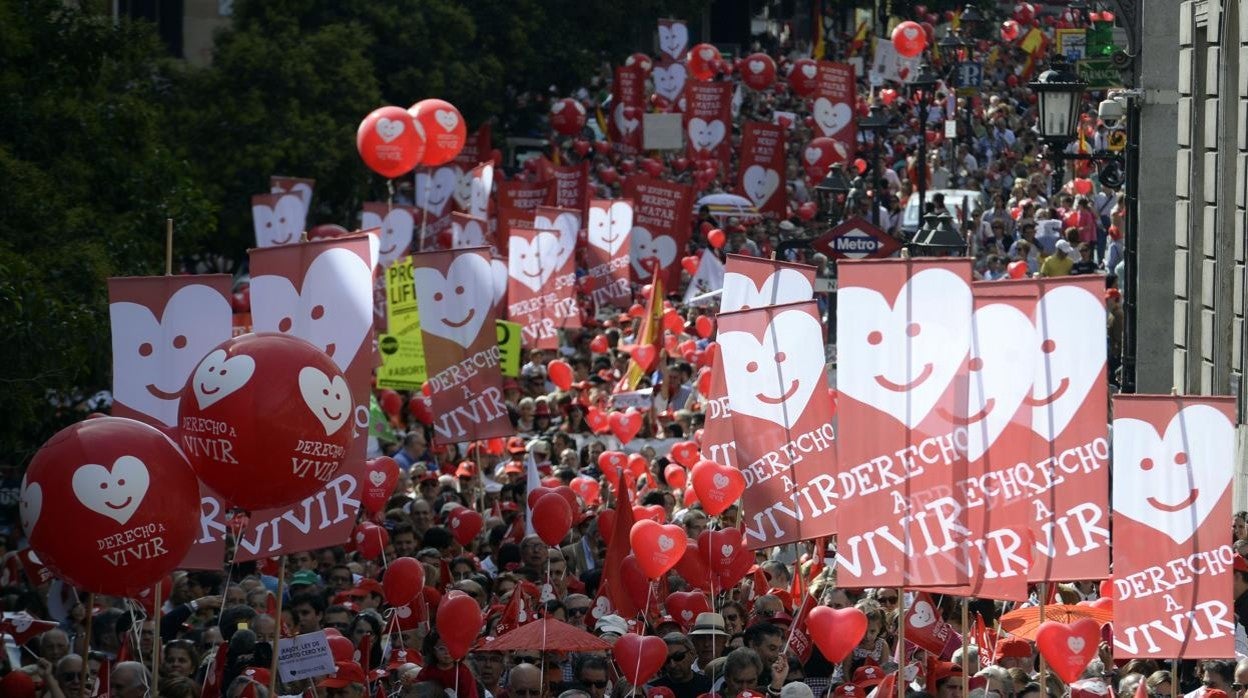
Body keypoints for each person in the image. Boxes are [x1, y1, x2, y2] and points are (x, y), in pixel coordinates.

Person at [652, 633, 713, 698]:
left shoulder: (709, 686)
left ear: (692, 654)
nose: (672, 665)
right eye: (667, 659)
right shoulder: (654, 690)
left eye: (678, 657)